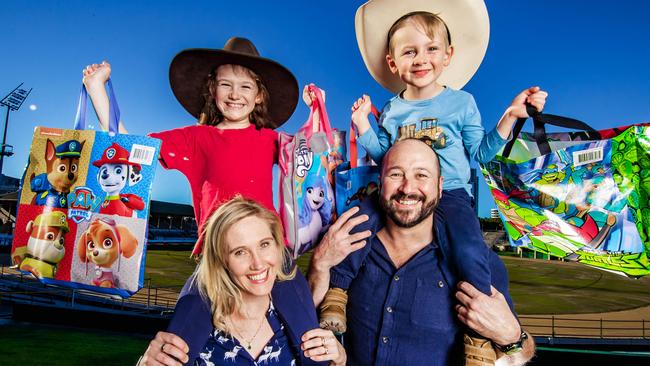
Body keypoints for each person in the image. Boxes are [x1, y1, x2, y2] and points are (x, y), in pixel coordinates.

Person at [320, 1, 546, 361]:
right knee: (357, 222)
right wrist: (364, 124)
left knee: (470, 250)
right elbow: (384, 156)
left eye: (430, 49)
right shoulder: (393, 109)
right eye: (409, 51)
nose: (420, 58)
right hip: (394, 190)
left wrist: (509, 117)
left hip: (452, 193)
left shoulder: (461, 103)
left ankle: (478, 338)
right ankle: (337, 294)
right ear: (393, 63)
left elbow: (479, 155)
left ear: (448, 55)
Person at [309, 139, 535, 365]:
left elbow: (520, 355)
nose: (407, 188)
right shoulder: (344, 248)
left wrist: (512, 336)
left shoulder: (479, 264)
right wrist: (319, 265)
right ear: (380, 182)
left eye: (421, 175)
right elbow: (302, 319)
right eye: (396, 174)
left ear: (439, 186)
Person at [82, 37, 301, 257]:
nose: (235, 94)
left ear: (259, 96)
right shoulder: (195, 138)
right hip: (219, 254)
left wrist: (317, 112)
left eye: (245, 86)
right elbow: (131, 147)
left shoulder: (272, 139)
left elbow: (313, 162)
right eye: (225, 84)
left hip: (268, 248)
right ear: (212, 88)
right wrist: (96, 88)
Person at [137, 197, 346, 366]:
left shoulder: (293, 315)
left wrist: (339, 359)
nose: (257, 263)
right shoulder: (195, 327)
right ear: (222, 261)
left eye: (264, 244)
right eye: (240, 252)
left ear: (277, 246)